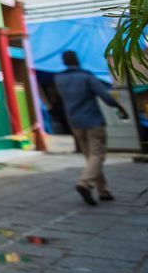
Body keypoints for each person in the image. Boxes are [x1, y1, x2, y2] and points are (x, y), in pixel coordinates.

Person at [54, 50, 131, 205]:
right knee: (98, 155)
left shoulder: (59, 79)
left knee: (91, 158)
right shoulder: (86, 77)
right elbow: (105, 96)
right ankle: (85, 183)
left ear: (63, 62)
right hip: (93, 121)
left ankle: (104, 191)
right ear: (77, 59)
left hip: (75, 122)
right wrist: (120, 108)